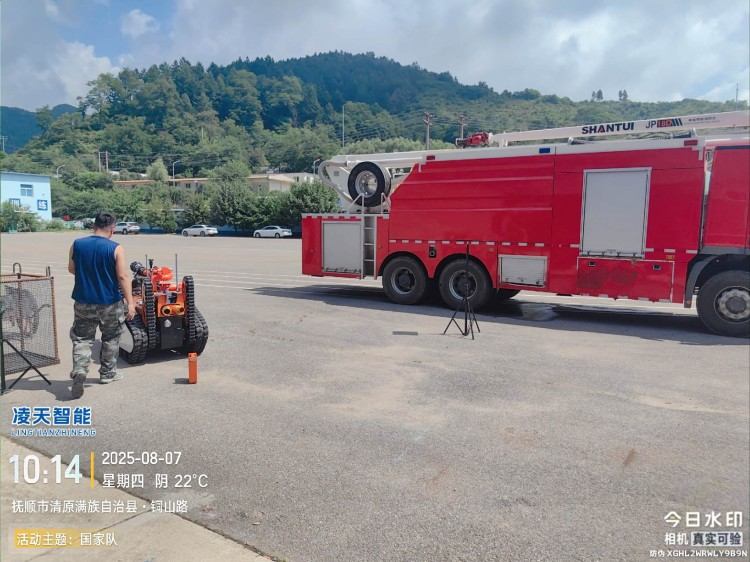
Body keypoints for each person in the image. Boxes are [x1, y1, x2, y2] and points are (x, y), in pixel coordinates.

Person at [68, 212, 136, 399]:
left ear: (94, 226)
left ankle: (80, 370)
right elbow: (122, 276)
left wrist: (88, 276)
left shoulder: (77, 244)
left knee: (82, 338)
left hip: (83, 300)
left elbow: (72, 268)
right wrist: (130, 303)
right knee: (111, 337)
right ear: (112, 229)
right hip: (109, 302)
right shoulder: (116, 248)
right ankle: (107, 373)